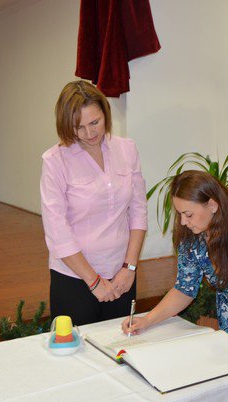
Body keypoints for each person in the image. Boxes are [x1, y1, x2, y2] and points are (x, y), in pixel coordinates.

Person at [121, 170, 228, 374]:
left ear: (213, 205)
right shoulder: (192, 239)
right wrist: (147, 320)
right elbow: (184, 289)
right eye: (179, 214)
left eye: (188, 214)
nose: (183, 222)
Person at [40, 80, 147, 326]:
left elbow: (138, 211)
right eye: (78, 127)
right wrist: (94, 281)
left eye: (95, 122)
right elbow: (57, 232)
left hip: (122, 274)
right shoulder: (55, 160)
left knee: (120, 344)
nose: (89, 133)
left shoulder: (127, 149)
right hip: (74, 277)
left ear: (105, 113)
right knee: (75, 347)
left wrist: (129, 267)